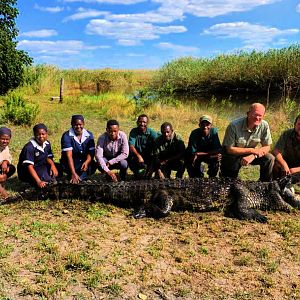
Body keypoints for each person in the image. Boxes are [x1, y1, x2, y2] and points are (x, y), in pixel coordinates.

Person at [221, 103, 274, 181]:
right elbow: (230, 149)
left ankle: (265, 184)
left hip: (251, 154)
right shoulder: (234, 125)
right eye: (255, 114)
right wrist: (252, 150)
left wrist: (253, 155)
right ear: (248, 114)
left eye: (260, 116)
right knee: (229, 180)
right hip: (233, 154)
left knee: (269, 158)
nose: (257, 118)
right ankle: (230, 181)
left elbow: (267, 147)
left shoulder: (264, 125)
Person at [18, 123, 58, 188]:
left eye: (43, 134)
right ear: (34, 135)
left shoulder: (47, 143)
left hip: (41, 165)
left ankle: (48, 177)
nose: (41, 136)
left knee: (59, 169)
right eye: (38, 134)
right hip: (29, 170)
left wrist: (52, 165)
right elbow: (29, 166)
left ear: (47, 134)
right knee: (47, 179)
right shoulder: (29, 147)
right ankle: (31, 182)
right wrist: (38, 181)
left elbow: (48, 157)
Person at [60, 115, 96, 184]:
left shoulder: (89, 135)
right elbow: (69, 156)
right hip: (70, 163)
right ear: (72, 124)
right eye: (76, 125)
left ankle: (79, 177)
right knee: (67, 167)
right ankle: (75, 176)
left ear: (83, 124)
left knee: (93, 165)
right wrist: (73, 173)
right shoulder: (66, 136)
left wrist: (87, 162)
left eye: (80, 124)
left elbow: (91, 152)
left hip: (83, 163)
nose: (78, 127)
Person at [128, 114, 158, 179]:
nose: (142, 124)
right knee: (129, 155)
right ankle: (136, 172)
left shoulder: (152, 132)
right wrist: (138, 156)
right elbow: (131, 146)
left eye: (144, 122)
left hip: (149, 156)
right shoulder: (134, 131)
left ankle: (152, 171)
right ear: (137, 122)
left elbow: (158, 144)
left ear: (147, 123)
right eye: (140, 122)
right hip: (137, 156)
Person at [272, 114, 300, 179]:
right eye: (299, 124)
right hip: (288, 163)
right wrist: (284, 164)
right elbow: (276, 150)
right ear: (295, 124)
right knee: (275, 163)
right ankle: (275, 185)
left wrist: (296, 170)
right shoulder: (287, 134)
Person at [0, 127, 16, 199]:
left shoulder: (5, 147)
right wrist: (2, 191)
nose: (5, 141)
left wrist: (5, 162)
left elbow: (8, 157)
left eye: (7, 139)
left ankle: (1, 179)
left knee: (11, 168)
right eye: (2, 139)